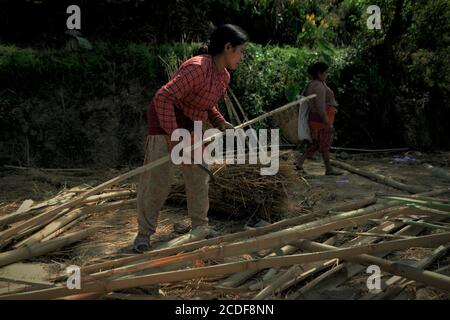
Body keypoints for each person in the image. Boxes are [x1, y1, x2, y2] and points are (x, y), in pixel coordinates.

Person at [133, 24, 248, 253]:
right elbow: (163, 97)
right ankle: (144, 234)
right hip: (165, 119)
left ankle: (201, 227)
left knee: (198, 176)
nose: (242, 57)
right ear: (227, 47)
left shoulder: (223, 76)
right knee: (158, 180)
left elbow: (206, 103)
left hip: (192, 123)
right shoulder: (197, 68)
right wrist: (174, 136)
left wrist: (219, 121)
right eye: (241, 51)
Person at [295, 62, 342, 176]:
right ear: (319, 73)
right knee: (324, 144)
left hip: (315, 119)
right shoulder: (319, 86)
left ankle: (299, 162)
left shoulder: (312, 84)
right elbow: (320, 108)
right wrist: (327, 122)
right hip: (321, 120)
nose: (327, 74)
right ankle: (329, 169)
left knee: (316, 143)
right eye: (325, 72)